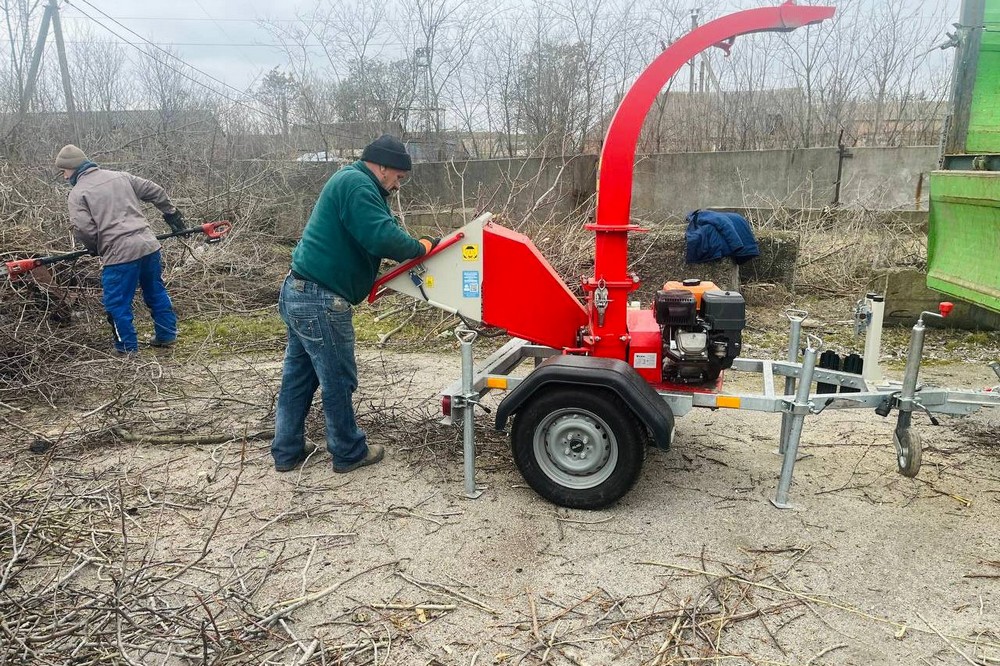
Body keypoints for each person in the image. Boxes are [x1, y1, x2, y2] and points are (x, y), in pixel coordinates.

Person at [271, 135, 439, 474]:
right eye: (398, 177)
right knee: (338, 378)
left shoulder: (354, 183)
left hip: (300, 292)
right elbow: (383, 237)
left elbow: (372, 233)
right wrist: (421, 246)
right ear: (382, 167)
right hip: (320, 299)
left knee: (299, 377)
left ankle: (287, 449)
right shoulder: (358, 185)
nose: (398, 185)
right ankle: (348, 451)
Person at [56, 144, 186, 354]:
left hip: (119, 255)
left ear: (72, 168)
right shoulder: (121, 176)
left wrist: (94, 248)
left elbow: (83, 229)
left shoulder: (78, 193)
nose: (63, 177)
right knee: (155, 291)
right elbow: (156, 191)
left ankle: (126, 349)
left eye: (63, 171)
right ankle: (166, 335)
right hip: (148, 245)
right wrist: (171, 214)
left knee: (116, 304)